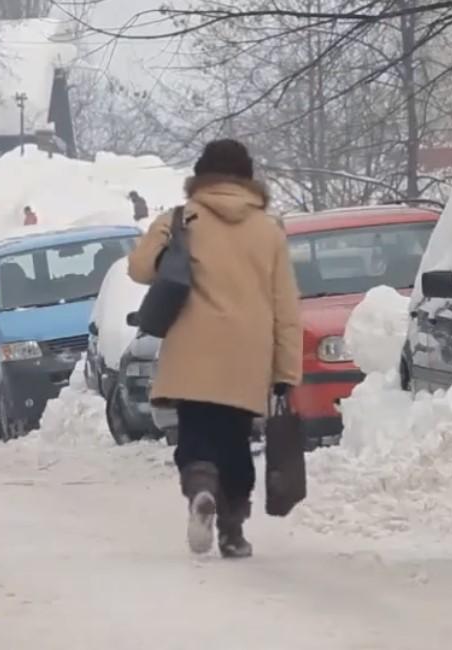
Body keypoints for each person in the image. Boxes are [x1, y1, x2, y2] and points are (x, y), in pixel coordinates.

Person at [128, 139, 301, 559]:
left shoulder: (181, 220)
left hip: (193, 350)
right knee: (235, 440)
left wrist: (166, 232)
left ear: (201, 175)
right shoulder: (269, 230)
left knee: (196, 432)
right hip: (248, 354)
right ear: (248, 177)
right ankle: (232, 529)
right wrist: (286, 372)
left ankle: (201, 489)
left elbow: (139, 269)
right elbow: (285, 306)